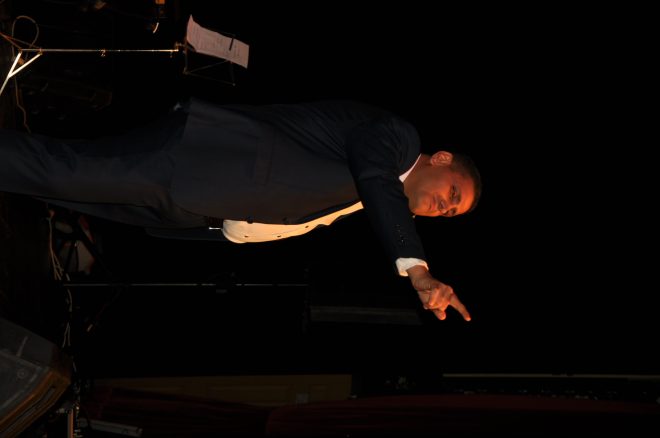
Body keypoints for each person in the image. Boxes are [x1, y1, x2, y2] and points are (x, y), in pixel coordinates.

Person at [0, 98, 481, 321]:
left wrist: (216, 228)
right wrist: (417, 270)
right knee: (58, 171)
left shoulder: (375, 196)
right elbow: (376, 178)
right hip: (195, 165)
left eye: (450, 214)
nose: (444, 207)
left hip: (198, 205)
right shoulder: (397, 141)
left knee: (63, 188)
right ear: (441, 160)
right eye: (453, 194)